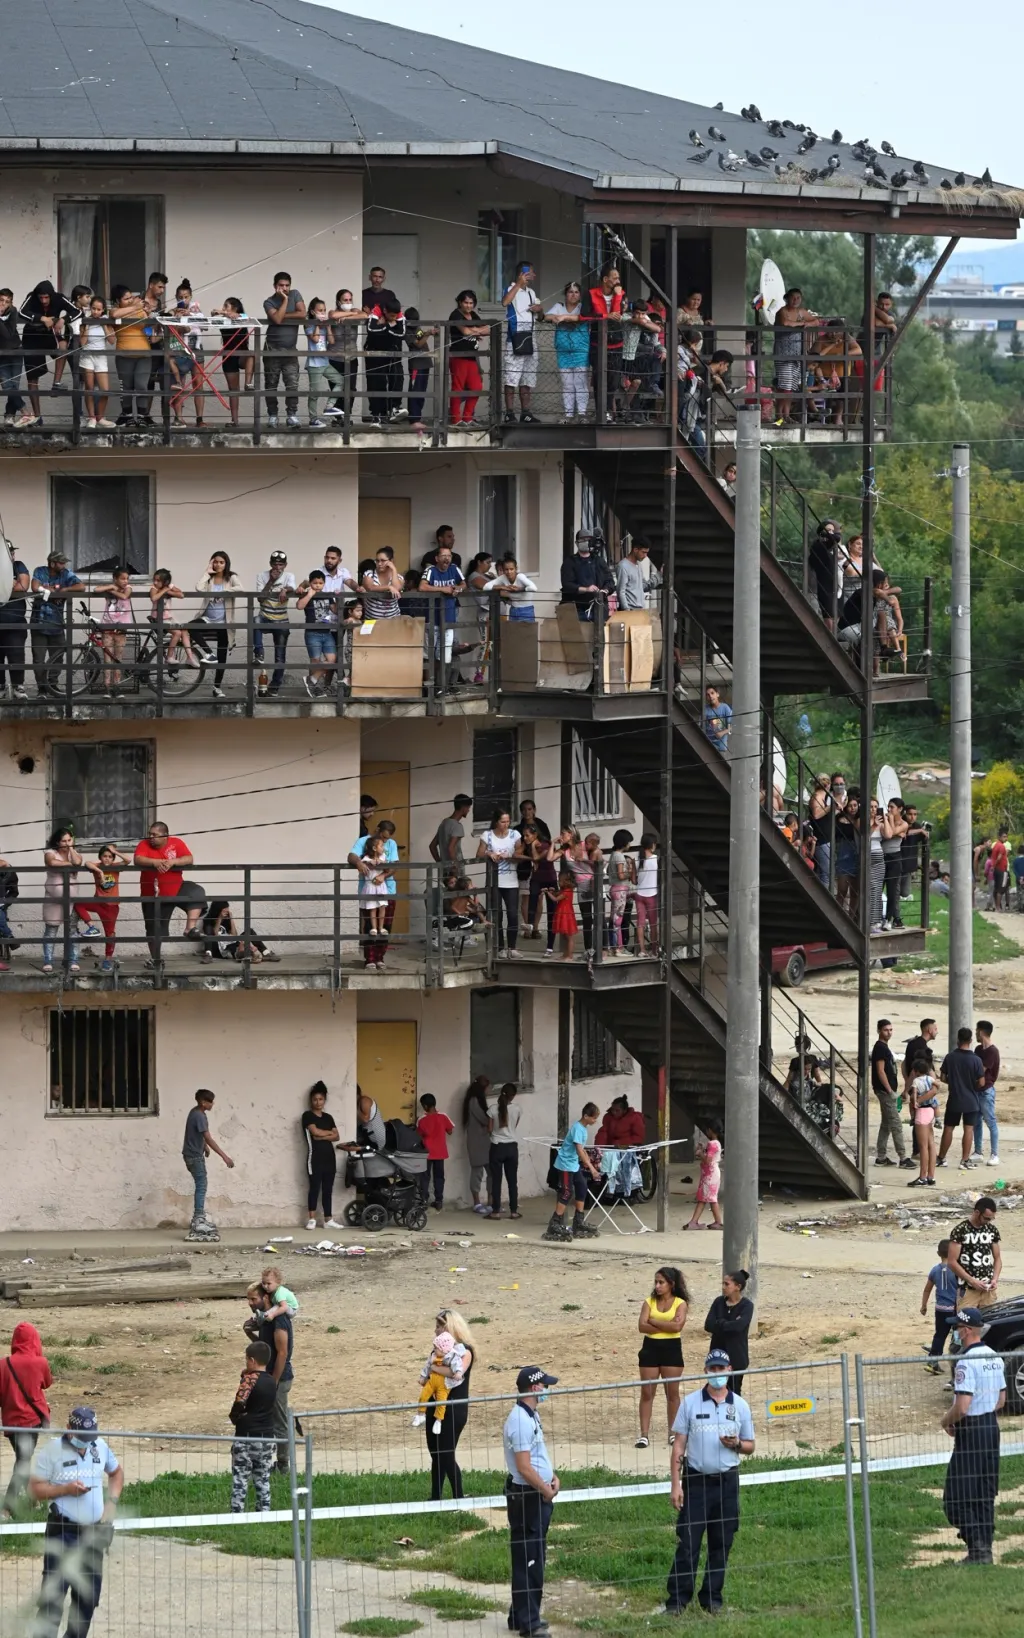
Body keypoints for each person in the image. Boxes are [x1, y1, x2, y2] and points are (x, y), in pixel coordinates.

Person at [665, 1350, 755, 1616]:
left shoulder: (740, 1405)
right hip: (696, 1482)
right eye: (712, 1370)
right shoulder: (690, 1403)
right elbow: (678, 1445)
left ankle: (712, 1599)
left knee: (721, 1543)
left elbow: (750, 1445)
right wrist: (675, 1484)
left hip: (727, 1482)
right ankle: (677, 1601)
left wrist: (737, 1444)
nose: (716, 1375)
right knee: (688, 1542)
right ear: (706, 1371)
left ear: (729, 1370)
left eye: (721, 1369)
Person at [29, 1407, 124, 1638]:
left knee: (87, 1599)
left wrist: (111, 1503)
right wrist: (65, 1490)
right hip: (63, 1531)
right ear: (69, 1429)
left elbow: (116, 1473)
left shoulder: (99, 1446)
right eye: (82, 1438)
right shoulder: (52, 1450)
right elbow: (34, 1489)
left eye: (90, 1438)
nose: (87, 1443)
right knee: (53, 1598)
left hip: (93, 1534)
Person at [940, 1307, 1006, 1565]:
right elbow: (1001, 1400)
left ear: (966, 1330)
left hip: (973, 1428)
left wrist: (946, 1420)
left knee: (955, 1498)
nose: (955, 1332)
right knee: (984, 1493)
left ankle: (977, 1548)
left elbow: (963, 1405)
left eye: (957, 1328)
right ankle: (984, 1549)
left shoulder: (966, 1362)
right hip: (991, 1426)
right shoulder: (994, 1356)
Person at [503, 1365, 560, 1637]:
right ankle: (529, 1624)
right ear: (534, 1388)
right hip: (528, 1497)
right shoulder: (520, 1420)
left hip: (535, 1493)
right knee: (529, 1559)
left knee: (532, 1555)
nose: (547, 1389)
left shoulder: (530, 1415)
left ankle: (520, 1615)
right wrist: (545, 1490)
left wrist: (552, 1476)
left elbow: (538, 1456)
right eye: (544, 1385)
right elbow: (524, 1467)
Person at [134, 821, 206, 965]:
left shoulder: (176, 843)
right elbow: (138, 859)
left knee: (197, 891)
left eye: (155, 835)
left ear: (165, 835)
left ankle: (190, 928)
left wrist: (173, 862)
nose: (151, 837)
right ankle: (156, 959)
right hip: (152, 894)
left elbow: (189, 858)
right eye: (150, 834)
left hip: (176, 888)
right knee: (153, 929)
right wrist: (155, 863)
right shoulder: (144, 844)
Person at [423, 1309, 476, 1500]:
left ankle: (458, 1497)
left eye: (439, 1326)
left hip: (453, 1410)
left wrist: (434, 1366)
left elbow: (456, 1373)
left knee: (446, 1453)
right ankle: (435, 1497)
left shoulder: (466, 1351)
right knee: (435, 1453)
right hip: (434, 1407)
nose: (436, 1330)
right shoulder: (436, 1351)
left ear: (450, 1328)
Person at [0, 1322, 52, 1516]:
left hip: (11, 1422)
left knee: (22, 1459)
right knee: (23, 1462)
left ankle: (32, 1500)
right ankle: (7, 1508)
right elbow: (46, 1383)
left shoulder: (3, 1364)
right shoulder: (40, 1363)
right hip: (32, 1421)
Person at [636, 1267, 689, 1449]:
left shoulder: (680, 1303)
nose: (657, 1286)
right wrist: (666, 1325)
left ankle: (673, 1432)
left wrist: (653, 1321)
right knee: (647, 1393)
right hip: (650, 1348)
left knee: (672, 1394)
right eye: (656, 1282)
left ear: (671, 1284)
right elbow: (642, 1326)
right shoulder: (649, 1302)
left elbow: (677, 1328)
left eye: (661, 1282)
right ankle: (644, 1435)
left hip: (671, 1349)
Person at [229, 1339, 278, 1512]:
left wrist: (235, 1417)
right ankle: (264, 1511)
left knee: (240, 1478)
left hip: (246, 1436)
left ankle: (237, 1512)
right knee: (263, 1477)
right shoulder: (272, 1381)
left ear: (252, 1360)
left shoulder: (249, 1380)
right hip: (267, 1436)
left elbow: (240, 1402)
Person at [251, 1284, 295, 1472]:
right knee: (268, 1419)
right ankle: (268, 1462)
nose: (250, 1303)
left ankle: (284, 1465)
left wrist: (274, 1381)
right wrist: (249, 1332)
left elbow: (282, 1354)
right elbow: (265, 1349)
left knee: (280, 1421)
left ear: (266, 1298)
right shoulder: (267, 1320)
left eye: (254, 1299)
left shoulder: (279, 1321)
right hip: (269, 1378)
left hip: (279, 1378)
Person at [544, 1102, 601, 1243]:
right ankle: (554, 1223)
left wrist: (589, 1163)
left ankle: (578, 1221)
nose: (595, 1121)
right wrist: (592, 1168)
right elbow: (579, 1150)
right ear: (586, 1116)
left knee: (582, 1187)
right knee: (567, 1192)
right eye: (594, 1118)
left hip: (573, 1165)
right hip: (564, 1165)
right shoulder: (577, 1128)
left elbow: (582, 1151)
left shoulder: (583, 1129)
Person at [348, 819, 401, 970]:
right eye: (383, 837)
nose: (385, 841)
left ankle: (380, 957)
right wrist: (359, 863)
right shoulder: (364, 841)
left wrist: (383, 876)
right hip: (368, 890)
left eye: (387, 838)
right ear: (377, 830)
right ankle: (369, 959)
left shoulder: (391, 844)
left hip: (388, 889)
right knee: (370, 926)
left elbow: (395, 864)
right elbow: (351, 856)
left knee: (385, 926)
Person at [30, 550, 83, 696]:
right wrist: (47, 590)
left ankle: (52, 685)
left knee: (58, 656)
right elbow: (34, 587)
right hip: (38, 621)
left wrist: (65, 589)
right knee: (39, 658)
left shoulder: (66, 574)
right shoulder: (40, 571)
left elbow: (81, 586)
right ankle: (42, 688)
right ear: (52, 563)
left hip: (57, 623)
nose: (63, 564)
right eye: (61, 562)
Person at [182, 1088, 233, 1234]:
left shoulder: (195, 1112)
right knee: (201, 1185)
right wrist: (224, 1156)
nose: (213, 1104)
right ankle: (198, 1220)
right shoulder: (199, 1116)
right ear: (204, 1102)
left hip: (191, 1154)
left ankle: (199, 1218)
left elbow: (197, 1133)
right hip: (194, 1157)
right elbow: (208, 1137)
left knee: (201, 1184)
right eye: (210, 1101)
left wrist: (204, 1146)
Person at [193, 550, 242, 699]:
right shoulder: (209, 578)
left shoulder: (231, 577)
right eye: (215, 562)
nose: (218, 565)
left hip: (223, 622)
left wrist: (223, 592)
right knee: (190, 627)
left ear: (226, 564)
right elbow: (199, 588)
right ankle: (209, 653)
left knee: (223, 656)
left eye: (221, 562)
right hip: (207, 618)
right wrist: (207, 572)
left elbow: (240, 588)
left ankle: (217, 688)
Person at [937, 1027, 986, 1172]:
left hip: (954, 1099)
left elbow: (943, 1077)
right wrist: (973, 1085)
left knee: (949, 1128)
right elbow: (982, 1082)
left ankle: (941, 1158)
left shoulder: (950, 1057)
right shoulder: (976, 1060)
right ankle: (964, 1160)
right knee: (968, 1129)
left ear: (957, 1040)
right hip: (971, 1100)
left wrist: (953, 1083)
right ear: (970, 1041)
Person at [502, 262, 544, 425]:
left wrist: (539, 309)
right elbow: (505, 302)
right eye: (531, 272)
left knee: (528, 377)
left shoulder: (532, 292)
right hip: (515, 337)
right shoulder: (510, 288)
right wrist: (518, 284)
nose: (533, 275)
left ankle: (525, 413)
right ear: (523, 273)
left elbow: (540, 318)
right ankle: (509, 413)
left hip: (530, 337)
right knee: (511, 377)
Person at [582, 262, 626, 419]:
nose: (617, 281)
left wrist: (618, 296)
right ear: (605, 279)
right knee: (599, 377)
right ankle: (601, 411)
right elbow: (584, 315)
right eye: (615, 278)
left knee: (614, 380)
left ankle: (608, 410)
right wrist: (605, 316)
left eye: (618, 278)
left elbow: (617, 316)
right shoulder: (591, 293)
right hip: (598, 343)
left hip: (616, 343)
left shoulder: (620, 294)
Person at [477, 809, 523, 957]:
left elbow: (519, 853)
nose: (506, 824)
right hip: (494, 881)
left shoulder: (515, 835)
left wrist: (509, 855)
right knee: (497, 914)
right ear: (496, 822)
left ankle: (512, 947)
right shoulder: (487, 835)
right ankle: (500, 947)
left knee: (512, 914)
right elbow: (478, 854)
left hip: (511, 880)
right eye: (503, 821)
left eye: (508, 821)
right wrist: (489, 853)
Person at [263, 271, 305, 428]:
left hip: (290, 350)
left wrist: (283, 313)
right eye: (281, 286)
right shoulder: (268, 302)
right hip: (272, 349)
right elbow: (277, 320)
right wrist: (285, 301)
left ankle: (292, 415)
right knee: (271, 384)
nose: (285, 288)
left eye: (287, 285)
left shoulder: (295, 294)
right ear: (275, 287)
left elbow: (303, 313)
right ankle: (273, 416)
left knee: (292, 384)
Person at [78, 845, 129, 974]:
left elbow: (128, 860)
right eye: (104, 856)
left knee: (110, 934)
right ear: (100, 857)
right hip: (98, 903)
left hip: (111, 906)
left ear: (113, 859)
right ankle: (92, 927)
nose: (107, 859)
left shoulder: (115, 867)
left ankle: (107, 959)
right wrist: (99, 871)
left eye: (110, 857)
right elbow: (87, 863)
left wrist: (115, 851)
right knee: (78, 904)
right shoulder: (97, 867)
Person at [772, 287, 819, 424]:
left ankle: (785, 416)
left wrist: (805, 323)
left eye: (798, 297)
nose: (796, 300)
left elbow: (816, 321)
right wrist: (802, 324)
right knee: (784, 386)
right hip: (783, 354)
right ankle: (779, 416)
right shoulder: (782, 312)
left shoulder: (801, 312)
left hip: (797, 354)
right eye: (793, 297)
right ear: (787, 298)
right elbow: (786, 323)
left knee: (791, 387)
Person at [252, 550, 295, 697]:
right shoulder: (262, 576)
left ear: (285, 565)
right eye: (275, 564)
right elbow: (260, 599)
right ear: (270, 564)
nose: (278, 567)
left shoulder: (289, 576)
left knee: (280, 656)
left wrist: (285, 589)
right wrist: (270, 580)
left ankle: (275, 686)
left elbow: (293, 588)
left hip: (281, 618)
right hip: (265, 615)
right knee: (255, 620)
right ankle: (259, 654)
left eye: (281, 564)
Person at [872, 1018, 913, 1168]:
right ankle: (903, 1158)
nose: (888, 1033)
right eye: (885, 1030)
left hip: (886, 1090)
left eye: (890, 1030)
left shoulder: (884, 1047)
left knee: (886, 1124)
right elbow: (880, 1071)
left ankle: (881, 1157)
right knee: (896, 1124)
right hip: (885, 1091)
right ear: (879, 1031)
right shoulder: (880, 1048)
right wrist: (890, 1091)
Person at [41, 826, 83, 973]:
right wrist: (69, 865)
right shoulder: (50, 852)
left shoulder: (73, 853)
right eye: (64, 841)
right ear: (57, 842)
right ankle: (48, 961)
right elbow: (52, 862)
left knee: (72, 930)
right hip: (53, 899)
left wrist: (71, 849)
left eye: (69, 840)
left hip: (71, 899)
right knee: (51, 930)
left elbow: (78, 862)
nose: (66, 843)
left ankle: (73, 961)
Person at [704, 1271, 754, 1395]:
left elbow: (739, 1327)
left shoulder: (747, 1306)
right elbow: (708, 1325)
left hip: (736, 1356)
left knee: (734, 1392)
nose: (723, 1287)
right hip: (717, 1355)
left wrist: (720, 1322)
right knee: (715, 1391)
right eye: (723, 1284)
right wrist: (729, 1324)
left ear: (738, 1287)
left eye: (727, 1284)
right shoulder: (718, 1302)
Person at [546, 281, 590, 421]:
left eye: (576, 292)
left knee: (581, 383)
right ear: (565, 294)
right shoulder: (559, 306)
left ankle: (582, 413)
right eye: (570, 292)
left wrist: (564, 319)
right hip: (563, 351)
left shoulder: (583, 308)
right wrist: (555, 317)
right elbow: (547, 317)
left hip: (581, 350)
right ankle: (569, 414)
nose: (573, 295)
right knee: (567, 384)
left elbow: (583, 318)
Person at [422, 541, 466, 679]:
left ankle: (442, 687)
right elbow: (422, 587)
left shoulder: (454, 569)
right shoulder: (430, 571)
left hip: (449, 618)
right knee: (430, 654)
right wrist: (442, 589)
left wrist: (458, 588)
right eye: (443, 555)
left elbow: (464, 584)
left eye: (449, 555)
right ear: (437, 558)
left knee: (446, 654)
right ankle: (429, 688)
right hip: (432, 618)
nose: (447, 558)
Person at [948, 1197, 1002, 1308]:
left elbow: (997, 1258)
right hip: (968, 1289)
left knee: (989, 1323)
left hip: (988, 1289)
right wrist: (972, 1281)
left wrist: (995, 1279)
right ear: (977, 1212)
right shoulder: (960, 1230)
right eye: (986, 1218)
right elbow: (952, 1262)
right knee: (965, 1323)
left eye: (991, 1218)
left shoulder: (992, 1230)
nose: (989, 1221)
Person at [302, 1080, 341, 1230]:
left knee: (328, 1189)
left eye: (321, 1099)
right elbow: (314, 1132)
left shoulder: (328, 1117)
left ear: (324, 1100)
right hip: (315, 1158)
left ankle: (328, 1220)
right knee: (314, 1187)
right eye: (315, 1099)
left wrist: (322, 1136)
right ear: (311, 1101)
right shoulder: (307, 1116)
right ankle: (311, 1219)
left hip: (329, 1158)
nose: (318, 1102)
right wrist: (328, 1133)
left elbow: (337, 1136)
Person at [448, 289, 489, 425]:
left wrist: (474, 332)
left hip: (472, 357)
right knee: (457, 388)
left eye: (471, 303)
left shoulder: (473, 315)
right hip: (458, 356)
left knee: (476, 387)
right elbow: (465, 332)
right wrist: (477, 332)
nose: (469, 306)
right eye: (466, 302)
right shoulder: (455, 314)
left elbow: (488, 329)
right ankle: (455, 419)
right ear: (460, 302)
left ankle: (467, 418)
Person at [210, 296, 254, 419]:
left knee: (252, 355)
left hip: (242, 355)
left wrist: (235, 315)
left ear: (234, 308)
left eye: (226, 306)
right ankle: (234, 420)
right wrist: (223, 313)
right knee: (233, 390)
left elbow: (247, 318)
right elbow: (212, 313)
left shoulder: (242, 317)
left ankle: (248, 383)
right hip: (229, 356)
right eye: (224, 307)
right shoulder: (223, 319)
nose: (223, 309)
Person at [365, 298, 406, 423]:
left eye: (395, 316)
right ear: (384, 311)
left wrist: (382, 326)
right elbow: (371, 330)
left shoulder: (399, 315)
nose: (394, 318)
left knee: (397, 378)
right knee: (377, 382)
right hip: (375, 352)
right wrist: (389, 326)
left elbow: (402, 334)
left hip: (393, 353)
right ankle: (377, 414)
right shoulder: (376, 311)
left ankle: (394, 408)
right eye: (391, 316)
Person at [78, 295, 115, 428]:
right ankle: (92, 418)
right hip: (87, 355)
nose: (95, 312)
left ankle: (100, 417)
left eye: (99, 309)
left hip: (101, 357)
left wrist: (105, 326)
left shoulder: (106, 321)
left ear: (103, 310)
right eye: (93, 308)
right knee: (90, 388)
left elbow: (112, 341)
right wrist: (87, 326)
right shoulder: (85, 320)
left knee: (105, 390)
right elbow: (82, 343)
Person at [921, 1239, 959, 1373]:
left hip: (940, 1309)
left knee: (939, 1335)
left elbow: (927, 1289)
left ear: (938, 1253)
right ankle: (957, 1363)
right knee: (957, 1336)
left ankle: (933, 1362)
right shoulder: (956, 1270)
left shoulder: (935, 1270)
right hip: (955, 1309)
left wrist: (924, 1305)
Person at [297, 569, 336, 697]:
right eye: (315, 583)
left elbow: (335, 610)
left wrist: (337, 597)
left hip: (327, 632)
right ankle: (314, 687)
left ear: (324, 583)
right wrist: (309, 594)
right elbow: (299, 606)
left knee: (332, 660)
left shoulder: (328, 595)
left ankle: (311, 680)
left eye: (320, 583)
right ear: (310, 583)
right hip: (312, 633)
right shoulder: (307, 594)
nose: (318, 586)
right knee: (315, 660)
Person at [560, 531, 615, 620]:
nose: (586, 542)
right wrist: (586, 589)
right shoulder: (569, 562)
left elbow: (610, 581)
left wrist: (605, 591)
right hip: (576, 610)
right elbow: (567, 585)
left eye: (589, 539)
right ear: (577, 543)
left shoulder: (599, 561)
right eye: (583, 540)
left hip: (599, 609)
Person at [487, 1081, 521, 1220]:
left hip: (497, 1146)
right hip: (512, 1147)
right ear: (513, 1096)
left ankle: (495, 1211)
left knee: (496, 1180)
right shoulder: (517, 1109)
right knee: (512, 1181)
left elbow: (489, 1129)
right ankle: (513, 1211)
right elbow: (515, 1125)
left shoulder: (492, 1109)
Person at [0, 541, 30, 699]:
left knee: (16, 654)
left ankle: (18, 687)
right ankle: (1, 687)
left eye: (12, 552)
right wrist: (10, 584)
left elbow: (23, 586)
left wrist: (4, 586)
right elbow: (14, 586)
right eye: (8, 552)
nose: (12, 555)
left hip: (15, 620)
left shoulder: (19, 565)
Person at [417, 1092, 454, 1211]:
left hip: (426, 1153)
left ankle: (423, 1201)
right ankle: (439, 1201)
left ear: (426, 1106)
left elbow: (418, 1135)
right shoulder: (443, 1116)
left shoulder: (422, 1120)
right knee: (439, 1177)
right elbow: (450, 1131)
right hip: (440, 1153)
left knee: (424, 1177)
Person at [462, 1076, 493, 1213]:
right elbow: (484, 1119)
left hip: (484, 1140)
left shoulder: (476, 1100)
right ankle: (477, 1202)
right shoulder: (474, 1101)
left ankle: (492, 1201)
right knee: (477, 1172)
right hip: (477, 1141)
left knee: (491, 1172)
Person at [908, 1054, 939, 1186]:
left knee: (923, 1146)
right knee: (931, 1144)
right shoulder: (930, 1079)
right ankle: (931, 1175)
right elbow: (937, 1086)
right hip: (931, 1110)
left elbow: (914, 1095)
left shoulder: (916, 1081)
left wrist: (915, 1102)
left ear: (915, 1071)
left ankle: (922, 1177)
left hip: (921, 1112)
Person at [973, 1019, 1000, 1166]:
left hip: (986, 1091)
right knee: (977, 1122)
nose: (975, 1033)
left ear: (982, 1032)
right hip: (976, 1090)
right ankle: (978, 1151)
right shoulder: (978, 1049)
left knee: (990, 1122)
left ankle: (995, 1154)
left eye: (977, 1030)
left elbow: (980, 1071)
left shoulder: (992, 1051)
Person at [686, 1123, 723, 1229]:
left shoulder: (712, 1144)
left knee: (707, 1198)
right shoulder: (716, 1143)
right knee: (708, 1198)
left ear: (711, 1130)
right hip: (710, 1174)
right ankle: (716, 1222)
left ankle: (695, 1222)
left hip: (710, 1175)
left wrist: (700, 1154)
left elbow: (708, 1160)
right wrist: (703, 1151)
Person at [0, 286, 26, 426]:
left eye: (7, 301)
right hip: (1, 354)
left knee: (14, 384)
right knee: (6, 384)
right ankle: (25, 411)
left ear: (11, 303)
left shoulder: (13, 312)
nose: (3, 304)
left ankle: (9, 415)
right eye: (1, 300)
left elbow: (8, 334)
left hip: (16, 351)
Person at [430, 794, 473, 872]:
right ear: (463, 808)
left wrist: (440, 863)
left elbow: (432, 846)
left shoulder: (444, 823)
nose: (468, 810)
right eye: (468, 807)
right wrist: (455, 868)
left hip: (444, 870)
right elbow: (451, 848)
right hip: (455, 870)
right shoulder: (457, 826)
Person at [635, 833, 660, 956]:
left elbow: (634, 879)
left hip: (639, 894)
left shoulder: (638, 858)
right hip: (651, 895)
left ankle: (642, 950)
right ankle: (654, 950)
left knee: (640, 923)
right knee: (653, 923)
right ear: (651, 845)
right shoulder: (655, 858)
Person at [616, 539, 656, 612]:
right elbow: (621, 591)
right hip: (629, 609)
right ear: (635, 549)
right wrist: (626, 610)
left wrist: (659, 576)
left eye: (647, 553)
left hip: (640, 608)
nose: (645, 556)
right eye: (643, 552)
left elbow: (643, 586)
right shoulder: (623, 566)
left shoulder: (639, 565)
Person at [703, 686, 732, 754]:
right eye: (707, 695)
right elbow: (700, 727)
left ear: (717, 694)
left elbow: (733, 725)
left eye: (712, 693)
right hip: (708, 746)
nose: (710, 696)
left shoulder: (725, 708)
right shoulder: (705, 710)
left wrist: (722, 732)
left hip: (721, 746)